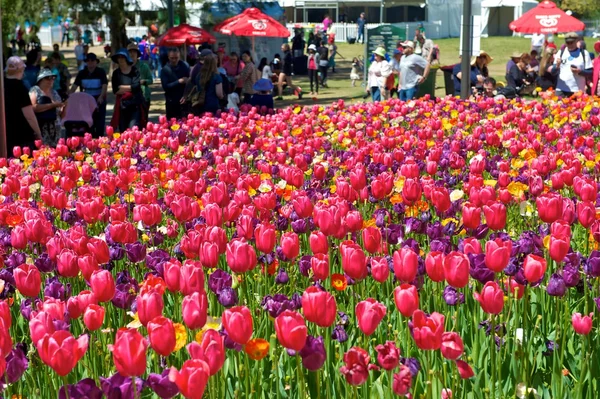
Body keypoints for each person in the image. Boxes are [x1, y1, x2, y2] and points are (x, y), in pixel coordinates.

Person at [4, 57, 41, 156]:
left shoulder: (2, 84)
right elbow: (29, 116)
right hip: (21, 135)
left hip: (5, 134)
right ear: (21, 69)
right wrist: (38, 133)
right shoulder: (20, 88)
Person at [70, 53, 108, 137]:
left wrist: (101, 97)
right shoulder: (82, 73)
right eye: (88, 61)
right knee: (88, 123)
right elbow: (74, 86)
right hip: (86, 101)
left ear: (96, 62)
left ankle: (99, 140)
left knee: (99, 124)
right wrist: (69, 97)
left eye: (92, 61)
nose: (90, 62)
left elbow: (104, 86)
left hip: (98, 99)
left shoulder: (101, 72)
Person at [110, 49, 144, 132]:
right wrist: (131, 88)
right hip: (122, 106)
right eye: (119, 57)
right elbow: (115, 90)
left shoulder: (134, 70)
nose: (121, 59)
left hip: (135, 105)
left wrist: (122, 87)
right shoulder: (116, 73)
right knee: (123, 130)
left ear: (126, 58)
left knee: (133, 129)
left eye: (123, 57)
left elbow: (137, 86)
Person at [29, 69, 65, 147]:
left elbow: (60, 114)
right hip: (42, 129)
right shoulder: (35, 90)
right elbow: (33, 107)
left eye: (53, 78)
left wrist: (65, 106)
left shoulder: (54, 92)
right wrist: (52, 105)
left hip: (56, 130)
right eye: (47, 78)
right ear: (40, 80)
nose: (51, 80)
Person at [553, 32, 593, 97]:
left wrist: (579, 71)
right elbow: (553, 72)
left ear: (577, 41)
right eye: (567, 43)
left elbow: (590, 72)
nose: (569, 45)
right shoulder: (560, 53)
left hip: (578, 90)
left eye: (571, 42)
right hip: (561, 90)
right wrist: (557, 66)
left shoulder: (584, 53)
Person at [160, 47, 190, 120]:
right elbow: (165, 87)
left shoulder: (184, 66)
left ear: (179, 56)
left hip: (184, 100)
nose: (174, 60)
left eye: (176, 58)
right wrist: (179, 82)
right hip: (171, 102)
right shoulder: (165, 70)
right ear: (168, 57)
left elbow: (190, 82)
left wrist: (186, 95)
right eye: (172, 58)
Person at [128, 43, 153, 118]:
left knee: (144, 118)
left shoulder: (144, 66)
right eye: (130, 52)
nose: (132, 54)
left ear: (137, 54)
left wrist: (143, 81)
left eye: (134, 52)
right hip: (129, 96)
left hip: (144, 95)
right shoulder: (124, 67)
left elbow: (151, 80)